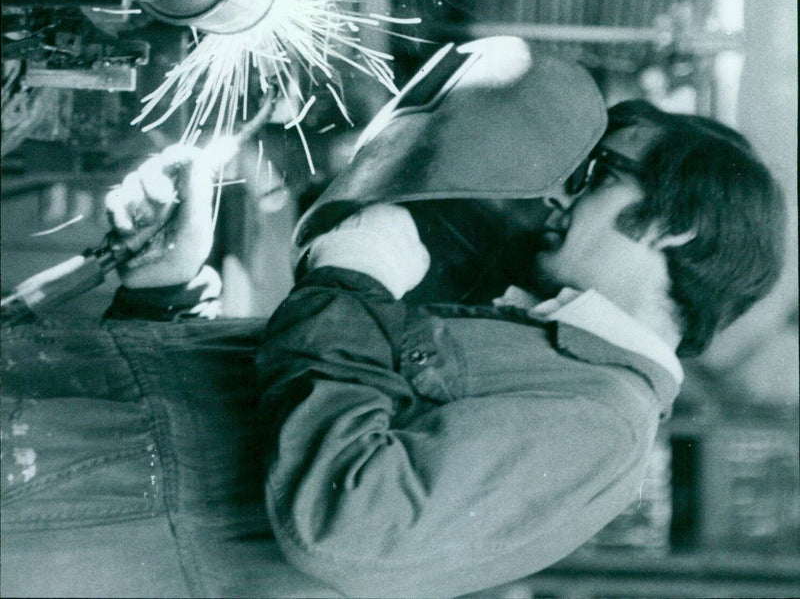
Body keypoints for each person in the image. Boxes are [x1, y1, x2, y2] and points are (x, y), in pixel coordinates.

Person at [1, 38, 785, 599]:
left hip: (44, 505)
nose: (555, 193)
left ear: (676, 227)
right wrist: (168, 293)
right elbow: (243, 424)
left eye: (594, 175)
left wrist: (350, 281)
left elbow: (348, 523)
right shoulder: (553, 355)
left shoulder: (602, 426)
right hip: (46, 457)